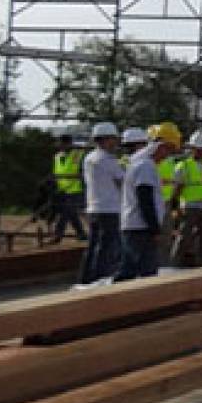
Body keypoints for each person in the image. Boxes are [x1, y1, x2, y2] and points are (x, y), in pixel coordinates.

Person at [118, 123, 180, 281]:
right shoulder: (145, 166)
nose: (168, 156)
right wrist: (154, 229)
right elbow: (144, 199)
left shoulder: (142, 164)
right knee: (146, 272)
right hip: (140, 227)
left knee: (129, 270)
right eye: (169, 150)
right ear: (160, 146)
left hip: (135, 226)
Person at [78, 122, 125, 284]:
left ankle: (85, 279)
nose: (116, 143)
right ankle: (98, 280)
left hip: (94, 207)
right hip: (109, 208)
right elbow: (122, 180)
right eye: (113, 139)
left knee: (93, 246)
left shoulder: (89, 158)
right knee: (106, 247)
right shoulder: (108, 159)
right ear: (105, 139)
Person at [168, 131, 202, 267]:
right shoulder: (183, 166)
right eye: (199, 149)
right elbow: (177, 188)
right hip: (189, 207)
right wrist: (175, 207)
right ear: (192, 149)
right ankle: (175, 264)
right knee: (183, 238)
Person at [48, 133, 88, 245]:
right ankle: (81, 234)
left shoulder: (78, 154)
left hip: (75, 189)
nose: (60, 146)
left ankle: (57, 235)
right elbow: (57, 172)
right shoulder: (57, 156)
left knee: (65, 212)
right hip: (62, 189)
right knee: (71, 213)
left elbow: (83, 170)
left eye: (62, 144)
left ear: (69, 144)